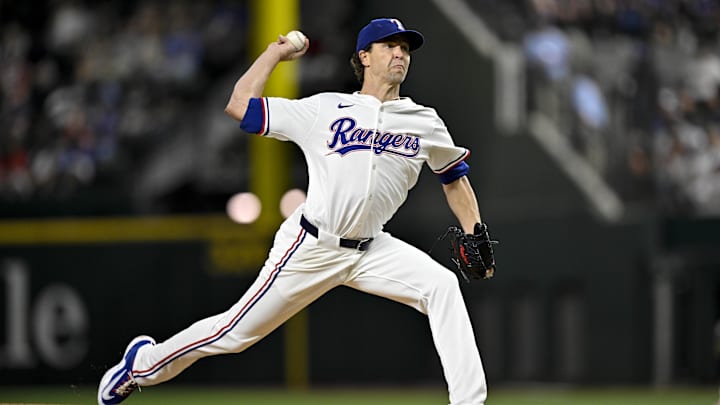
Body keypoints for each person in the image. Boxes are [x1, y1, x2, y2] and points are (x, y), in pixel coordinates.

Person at [97, 17, 495, 405]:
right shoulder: (326, 109)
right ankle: (141, 365)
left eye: (405, 48)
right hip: (311, 245)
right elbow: (240, 106)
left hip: (372, 249)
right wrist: (274, 53)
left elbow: (454, 179)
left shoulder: (424, 121)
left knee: (441, 286)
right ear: (364, 57)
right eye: (389, 45)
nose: (400, 54)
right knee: (233, 334)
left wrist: (475, 232)